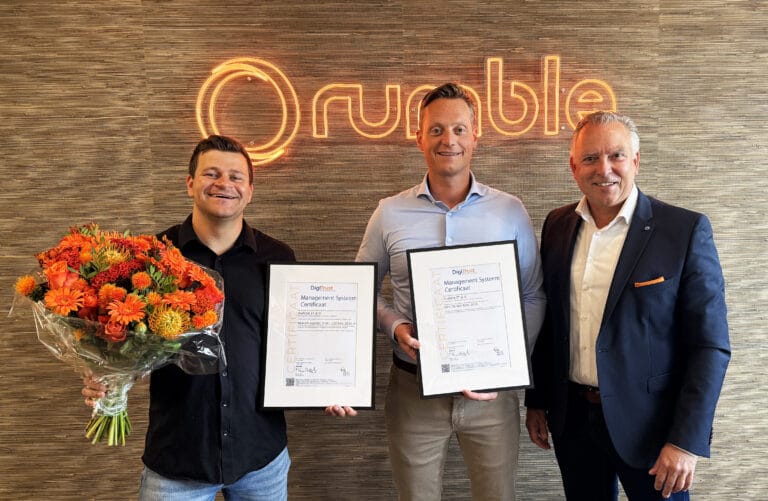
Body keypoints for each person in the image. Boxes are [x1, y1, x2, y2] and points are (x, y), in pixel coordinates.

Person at [83, 135, 355, 500]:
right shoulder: (153, 259)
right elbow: (126, 339)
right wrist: (108, 376)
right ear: (190, 183)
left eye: (236, 176)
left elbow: (299, 339)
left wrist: (327, 383)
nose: (224, 183)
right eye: (211, 173)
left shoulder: (277, 257)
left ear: (250, 191)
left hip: (261, 457)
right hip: (178, 456)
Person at [524, 111, 731, 500]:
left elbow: (710, 345)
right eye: (590, 158)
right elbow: (552, 321)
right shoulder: (557, 225)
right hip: (573, 422)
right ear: (574, 167)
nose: (604, 169)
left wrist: (686, 441)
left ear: (635, 160)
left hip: (653, 430)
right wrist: (536, 400)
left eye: (616, 155)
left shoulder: (683, 230)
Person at [355, 82, 546, 500]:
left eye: (459, 129)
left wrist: (506, 361)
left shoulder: (509, 210)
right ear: (419, 137)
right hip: (412, 390)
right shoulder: (390, 212)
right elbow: (359, 290)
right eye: (437, 130)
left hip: (492, 397)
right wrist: (395, 327)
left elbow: (533, 294)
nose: (449, 140)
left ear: (475, 136)